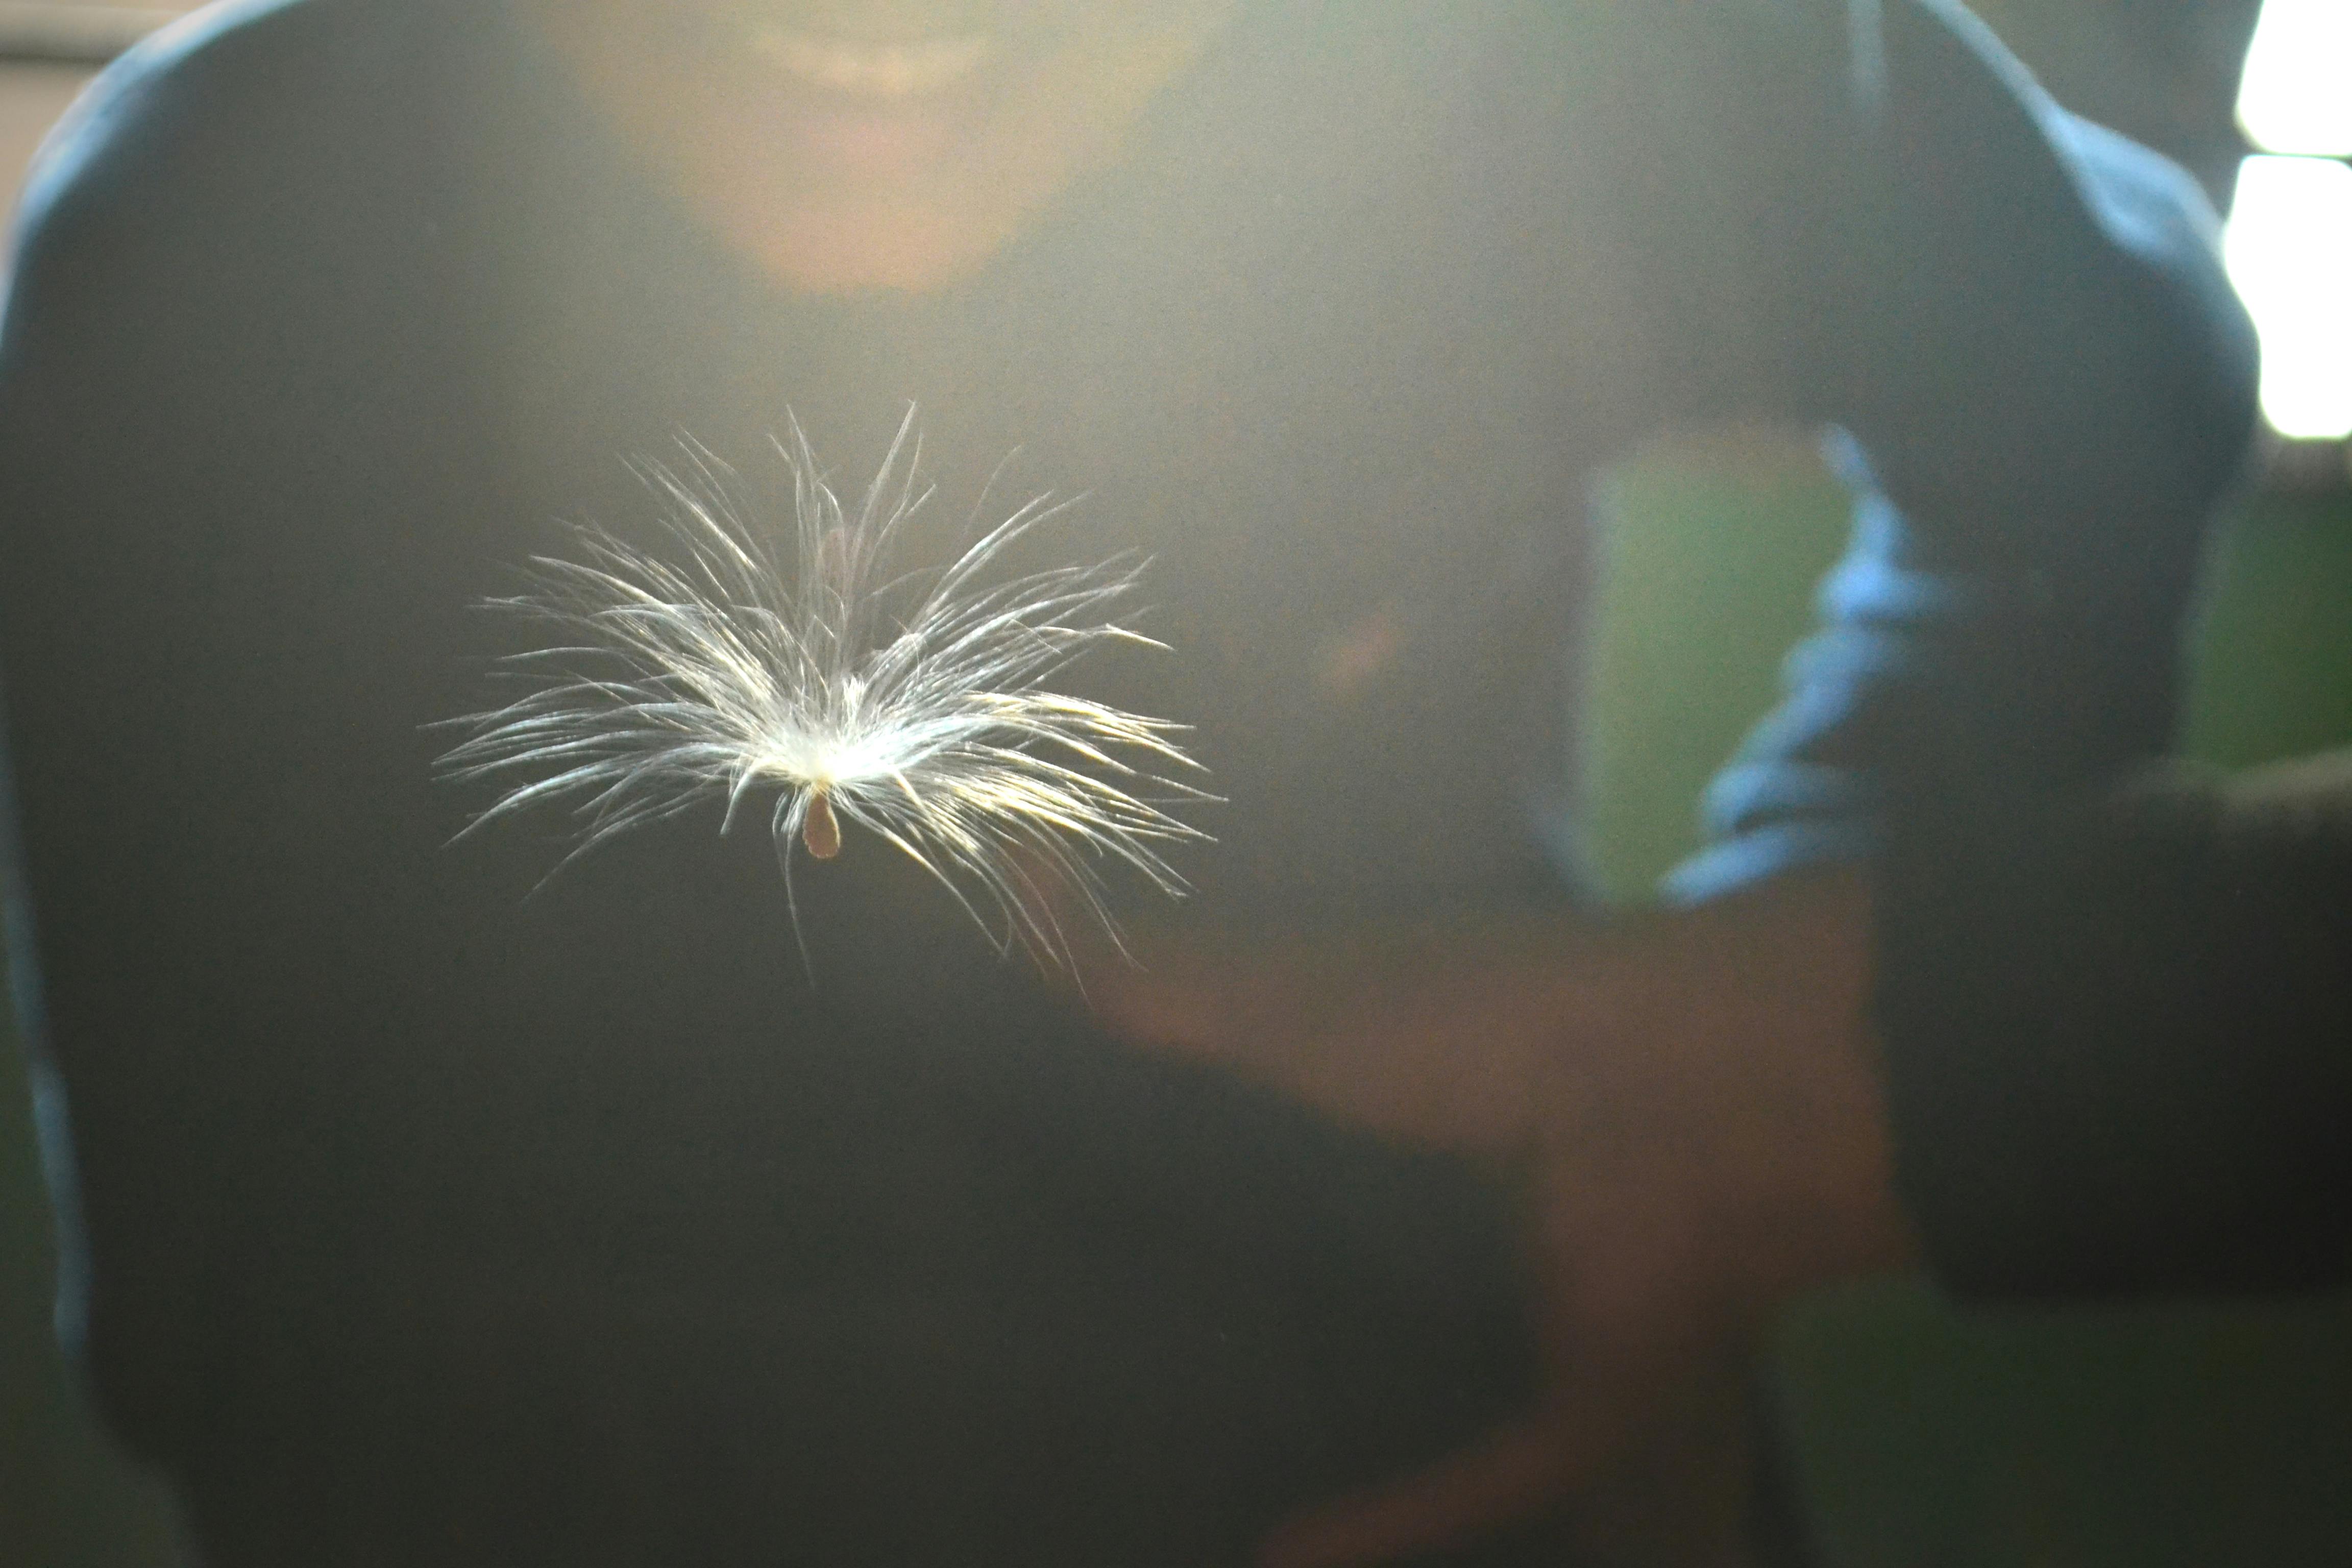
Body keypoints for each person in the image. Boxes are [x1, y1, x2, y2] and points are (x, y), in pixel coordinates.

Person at [0, 1, 2257, 1564]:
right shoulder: (191, 276)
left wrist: (1756, 1052)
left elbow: (2113, 368)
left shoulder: (1578, 91)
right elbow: (224, 1343)